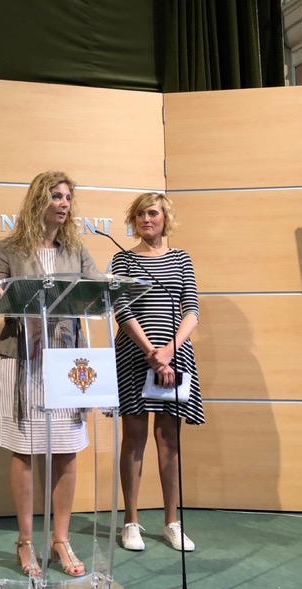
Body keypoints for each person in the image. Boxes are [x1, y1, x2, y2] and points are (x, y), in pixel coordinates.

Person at [0, 171, 98, 578]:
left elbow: (97, 291)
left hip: (66, 360)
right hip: (23, 359)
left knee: (66, 450)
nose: (64, 204)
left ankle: (61, 540)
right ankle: (25, 542)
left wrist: (108, 288)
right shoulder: (11, 248)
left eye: (67, 198)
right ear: (39, 200)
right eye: (56, 196)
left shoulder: (76, 249)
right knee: (24, 449)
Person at [110, 192, 204, 553]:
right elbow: (122, 309)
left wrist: (167, 352)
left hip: (174, 358)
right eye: (140, 214)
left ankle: (171, 523)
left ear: (166, 218)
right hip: (134, 356)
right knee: (134, 437)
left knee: (169, 439)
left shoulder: (181, 258)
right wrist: (151, 352)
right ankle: (131, 522)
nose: (146, 219)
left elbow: (191, 310)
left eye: (152, 213)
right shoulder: (123, 258)